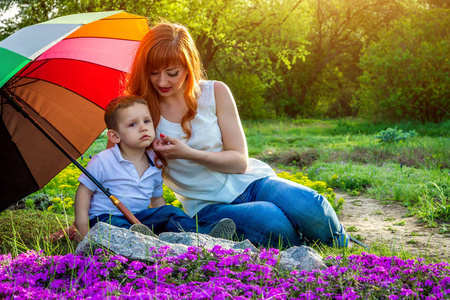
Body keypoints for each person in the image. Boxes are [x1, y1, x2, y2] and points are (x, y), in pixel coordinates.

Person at [125, 21, 351, 249]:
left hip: (252, 182)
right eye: (154, 73)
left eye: (172, 73)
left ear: (188, 66)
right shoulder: (141, 113)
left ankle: (345, 249)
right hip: (207, 205)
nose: (162, 82)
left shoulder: (215, 92)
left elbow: (239, 163)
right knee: (271, 220)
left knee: (310, 205)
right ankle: (305, 249)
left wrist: (188, 153)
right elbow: (118, 165)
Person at [73, 95, 236, 242]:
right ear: (115, 136)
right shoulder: (103, 160)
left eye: (147, 121)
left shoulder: (154, 161)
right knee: (115, 225)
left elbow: (157, 200)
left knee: (169, 212)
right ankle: (138, 240)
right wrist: (82, 228)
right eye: (132, 124)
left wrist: (161, 220)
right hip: (105, 220)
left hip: (139, 220)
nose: (143, 127)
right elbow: (83, 193)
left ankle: (202, 237)